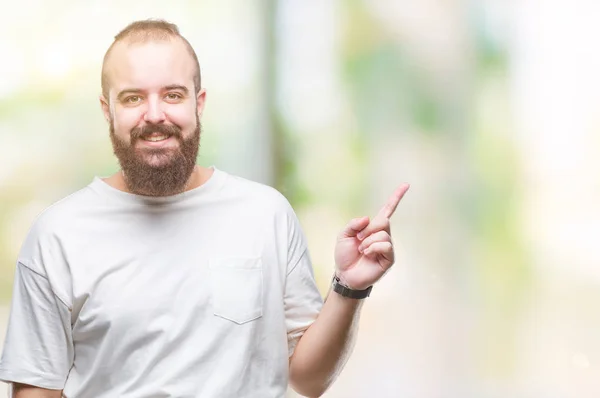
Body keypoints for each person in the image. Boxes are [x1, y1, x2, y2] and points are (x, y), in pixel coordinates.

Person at [0, 19, 409, 398]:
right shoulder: (59, 234)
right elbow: (36, 390)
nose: (155, 115)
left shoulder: (265, 214)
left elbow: (307, 379)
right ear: (107, 109)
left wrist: (349, 287)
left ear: (199, 103)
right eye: (132, 98)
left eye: (172, 95)